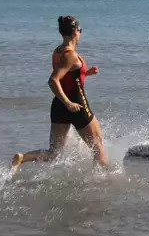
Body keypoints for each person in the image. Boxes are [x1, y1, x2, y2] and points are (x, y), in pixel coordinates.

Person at [10, 16, 108, 173]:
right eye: (80, 30)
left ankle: (24, 157)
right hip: (76, 105)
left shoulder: (58, 51)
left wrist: (85, 74)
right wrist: (69, 103)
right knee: (98, 148)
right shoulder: (70, 55)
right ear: (75, 31)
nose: (80, 33)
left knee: (54, 153)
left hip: (58, 106)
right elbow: (53, 80)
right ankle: (102, 184)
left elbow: (67, 77)